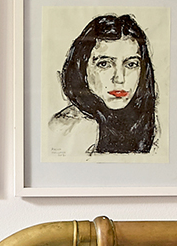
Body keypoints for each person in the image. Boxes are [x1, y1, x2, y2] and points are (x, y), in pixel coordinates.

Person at [47, 13, 159, 158]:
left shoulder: (148, 124)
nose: (119, 79)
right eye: (104, 64)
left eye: (131, 64)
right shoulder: (74, 126)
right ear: (82, 70)